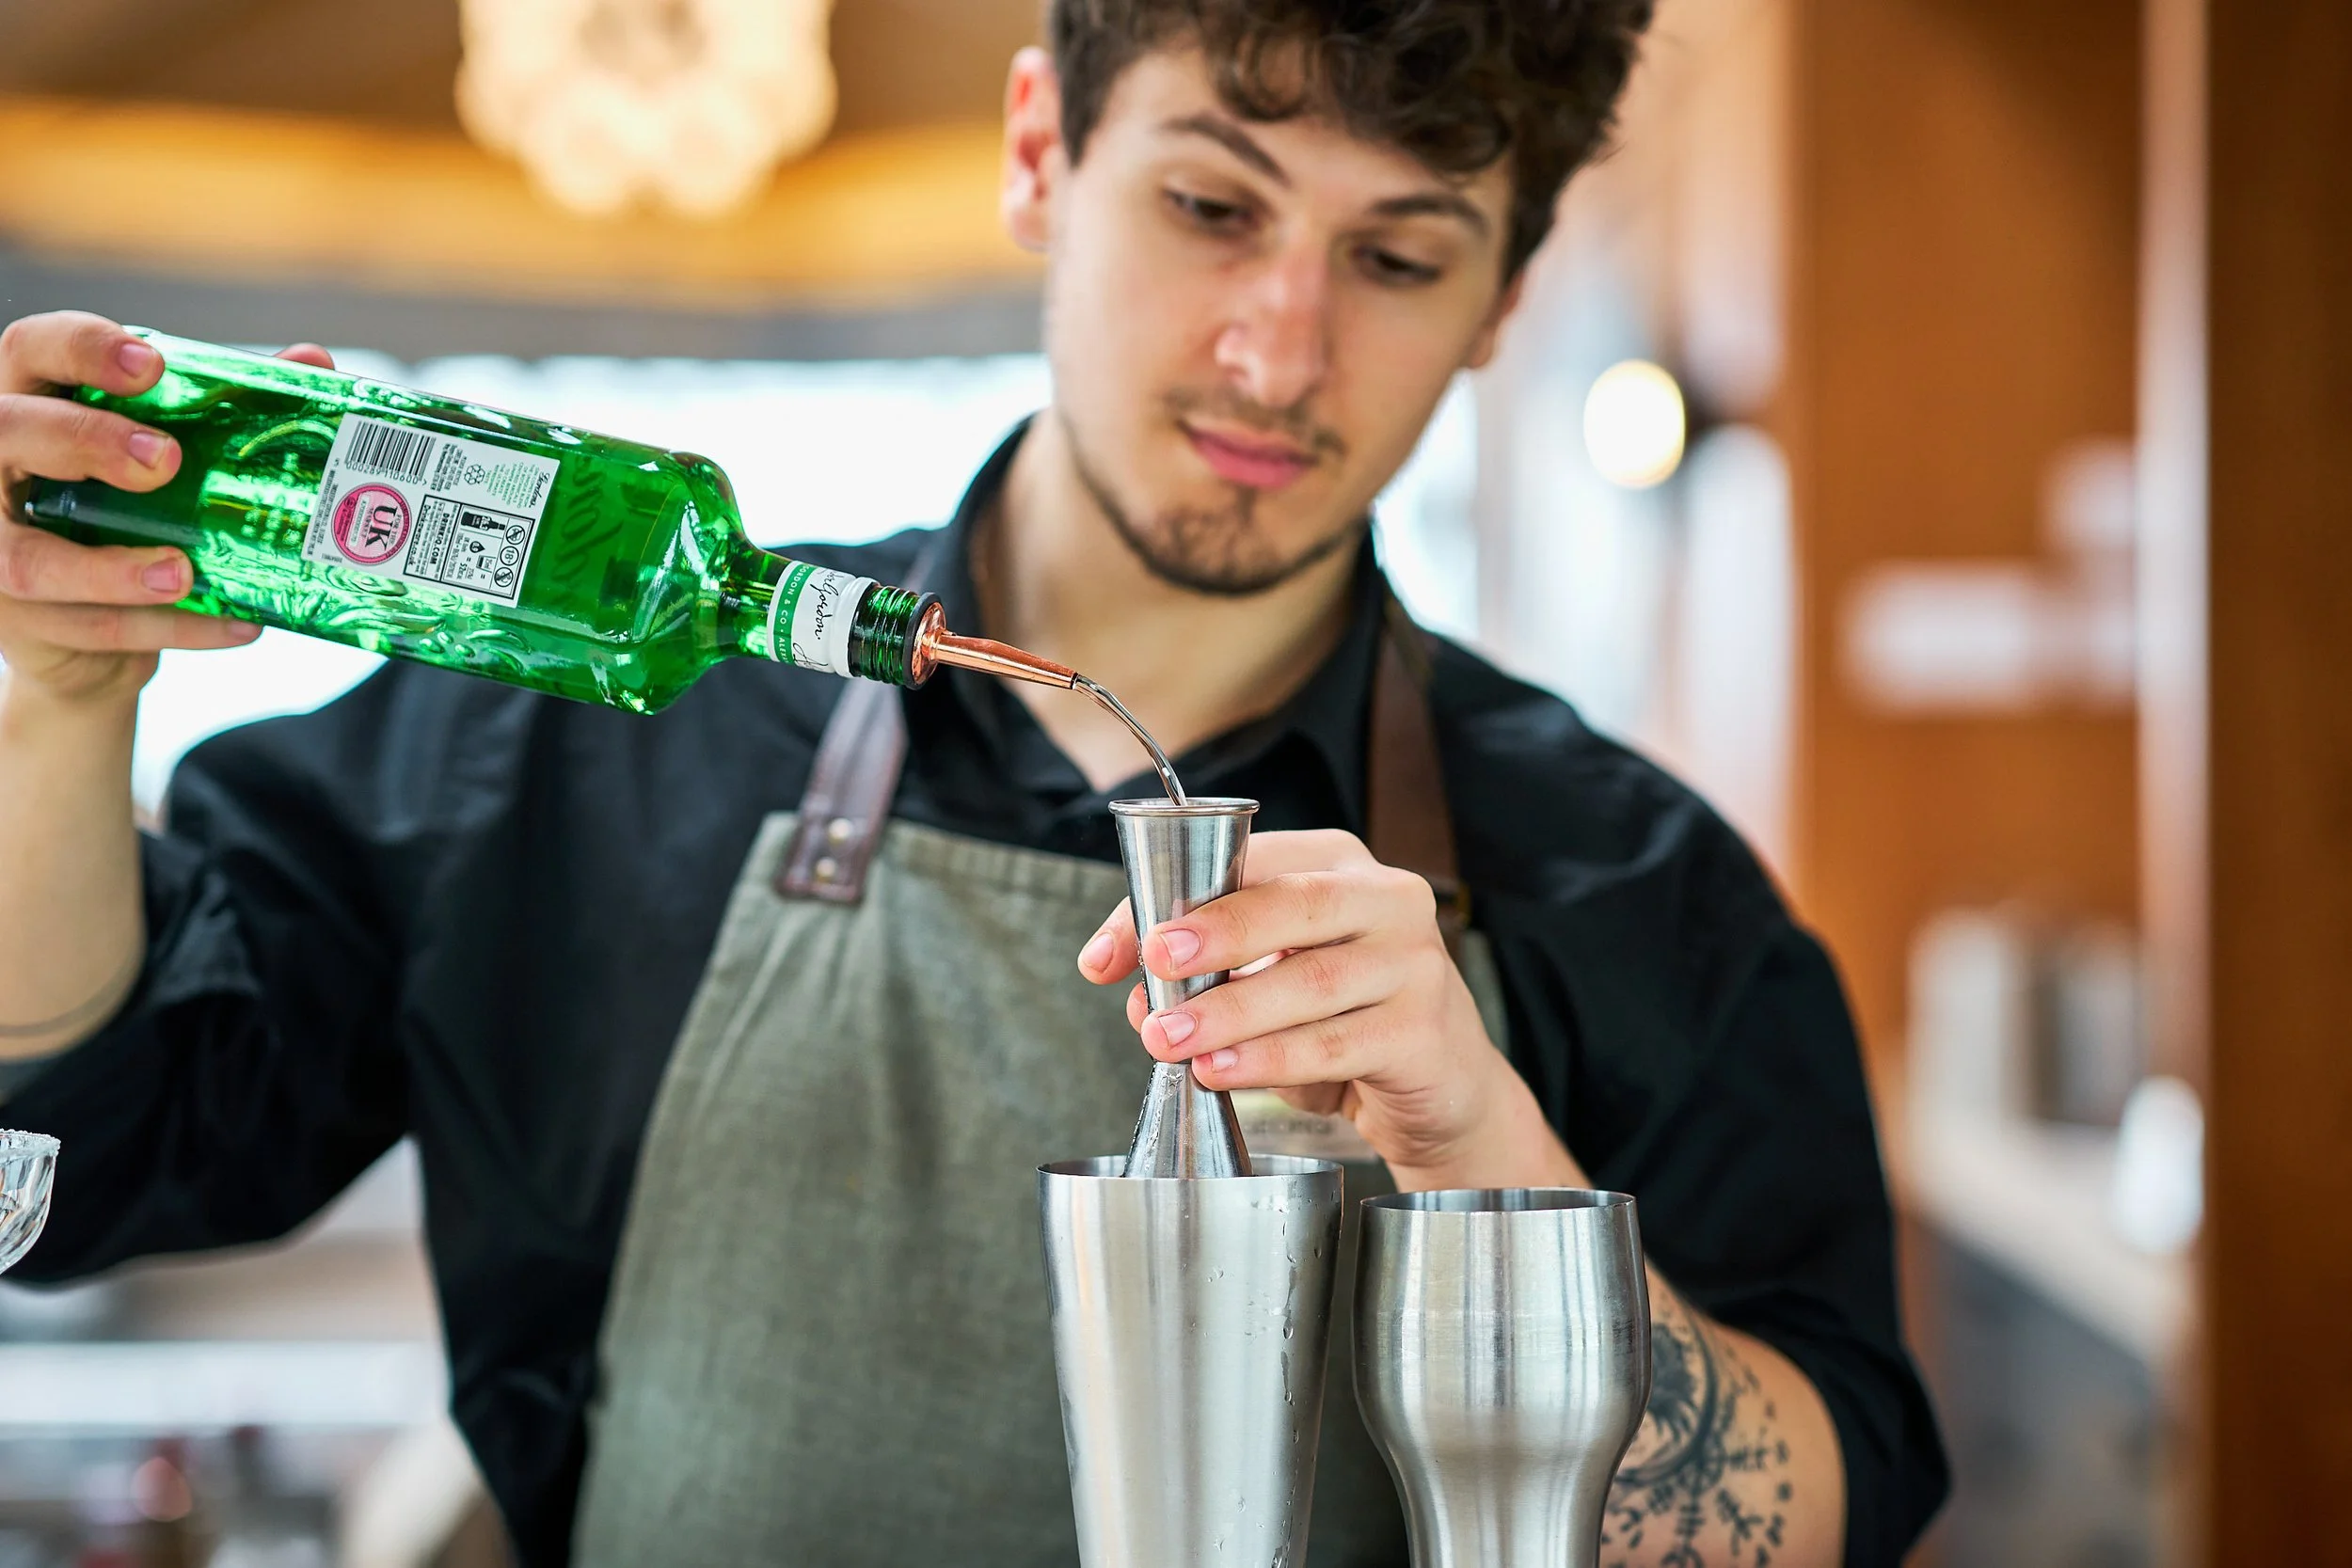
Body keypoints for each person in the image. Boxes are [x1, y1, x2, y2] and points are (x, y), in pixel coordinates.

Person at [0, 2, 1947, 1564]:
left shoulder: (1636, 884)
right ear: (1040, 152)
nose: (1279, 346)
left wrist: (1483, 1161)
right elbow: (83, 1158)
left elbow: (1822, 1501)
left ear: (1500, 302)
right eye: (1211, 205)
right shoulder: (568, 734)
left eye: (1398, 253)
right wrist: (48, 702)